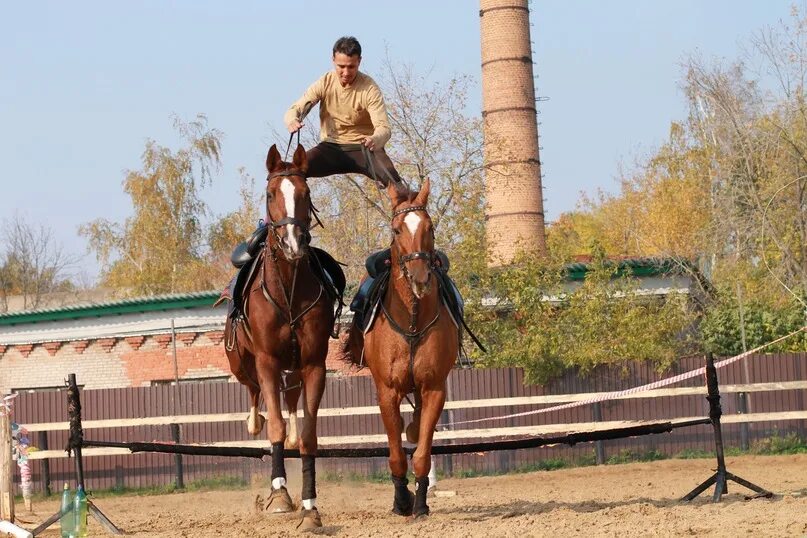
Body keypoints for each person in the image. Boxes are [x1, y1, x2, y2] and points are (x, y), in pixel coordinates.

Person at [284, 36, 405, 189]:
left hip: (364, 148)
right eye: (341, 66)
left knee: (399, 187)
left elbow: (384, 129)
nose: (346, 72)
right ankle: (289, 213)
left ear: (359, 61)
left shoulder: (370, 89)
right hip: (330, 148)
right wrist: (292, 120)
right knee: (289, 173)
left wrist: (374, 139)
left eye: (351, 67)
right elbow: (296, 108)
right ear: (333, 60)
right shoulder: (325, 82)